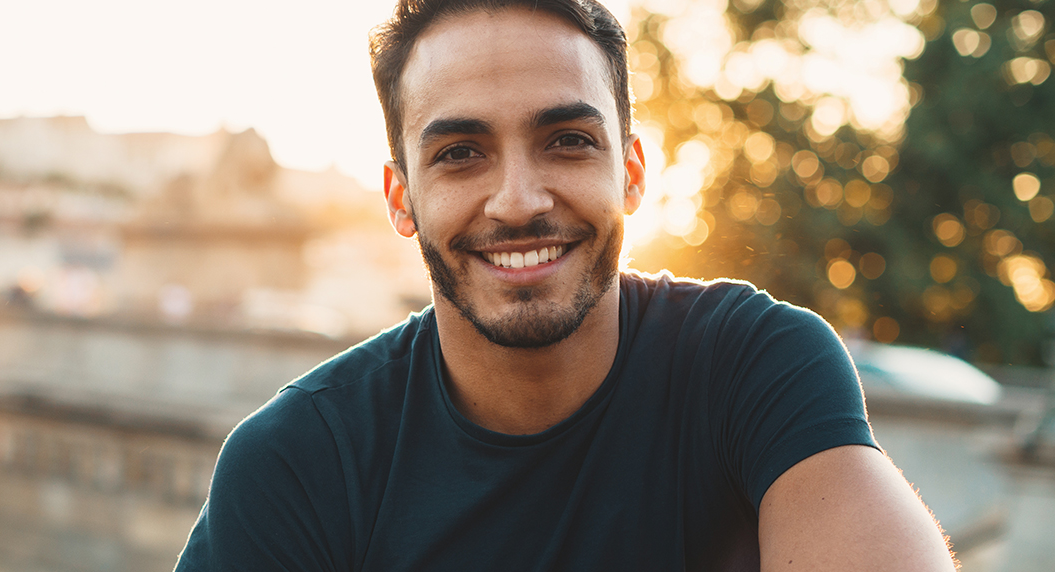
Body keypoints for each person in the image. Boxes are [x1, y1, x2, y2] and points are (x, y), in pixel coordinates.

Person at [172, 0, 957, 569]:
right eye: (459, 153)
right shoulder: (299, 465)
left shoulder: (752, 363)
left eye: (568, 141)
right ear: (400, 196)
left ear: (634, 171)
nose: (519, 200)